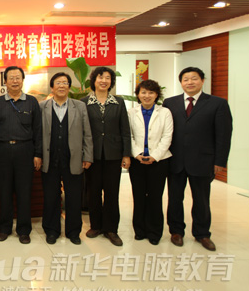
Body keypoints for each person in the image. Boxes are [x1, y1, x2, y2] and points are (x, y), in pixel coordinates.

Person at [163, 67, 232, 251]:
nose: (190, 82)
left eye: (194, 78)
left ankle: (202, 234)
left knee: (201, 200)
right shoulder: (170, 103)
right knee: (174, 198)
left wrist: (219, 161)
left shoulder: (217, 103)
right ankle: (176, 231)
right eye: (186, 79)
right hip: (175, 160)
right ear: (181, 82)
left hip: (203, 160)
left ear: (202, 81)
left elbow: (224, 135)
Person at [0, 66, 42, 244]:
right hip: (2, 151)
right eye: (11, 78)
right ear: (5, 81)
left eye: (18, 77)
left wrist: (38, 153)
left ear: (23, 80)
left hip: (25, 151)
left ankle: (24, 230)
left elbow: (38, 130)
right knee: (4, 192)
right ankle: (4, 228)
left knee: (24, 192)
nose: (15, 81)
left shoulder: (32, 102)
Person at [40, 72, 93, 245]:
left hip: (74, 158)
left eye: (65, 82)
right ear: (52, 87)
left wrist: (87, 156)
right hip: (50, 158)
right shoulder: (42, 107)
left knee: (74, 197)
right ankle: (51, 230)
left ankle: (73, 231)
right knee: (51, 197)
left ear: (69, 87)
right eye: (58, 83)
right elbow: (37, 134)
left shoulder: (79, 106)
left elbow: (87, 133)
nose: (62, 86)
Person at [81, 66, 131, 246]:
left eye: (107, 78)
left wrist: (126, 154)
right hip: (92, 155)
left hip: (113, 155)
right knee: (93, 192)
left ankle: (111, 229)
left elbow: (125, 130)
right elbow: (81, 130)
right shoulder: (84, 102)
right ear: (94, 81)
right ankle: (95, 226)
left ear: (111, 82)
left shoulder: (118, 102)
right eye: (100, 77)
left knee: (111, 193)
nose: (104, 81)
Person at [128, 79, 173, 245]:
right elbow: (128, 135)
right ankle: (139, 230)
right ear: (138, 94)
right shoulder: (131, 112)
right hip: (137, 161)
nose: (147, 96)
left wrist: (155, 155)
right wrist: (137, 153)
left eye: (151, 93)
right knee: (138, 196)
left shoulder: (165, 113)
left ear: (156, 95)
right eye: (143, 92)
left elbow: (167, 136)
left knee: (155, 196)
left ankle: (155, 232)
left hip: (159, 161)